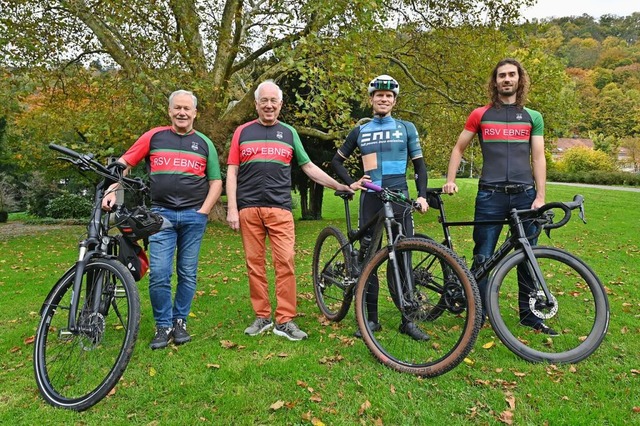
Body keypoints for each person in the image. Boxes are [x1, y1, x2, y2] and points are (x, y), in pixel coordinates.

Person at [226, 80, 353, 341]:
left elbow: (308, 167)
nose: (269, 105)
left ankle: (284, 320)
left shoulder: (289, 133)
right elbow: (232, 170)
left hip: (280, 209)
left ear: (280, 105)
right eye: (264, 100)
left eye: (274, 101)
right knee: (255, 265)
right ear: (256, 104)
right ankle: (262, 317)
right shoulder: (242, 131)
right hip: (249, 209)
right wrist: (231, 207)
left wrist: (337, 184)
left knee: (285, 262)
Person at [442, 58, 557, 335]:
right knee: (483, 255)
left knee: (527, 256)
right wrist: (450, 180)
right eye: (502, 75)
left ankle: (529, 316)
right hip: (490, 195)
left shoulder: (533, 116)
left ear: (520, 80)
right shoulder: (480, 114)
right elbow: (459, 148)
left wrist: (540, 195)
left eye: (511, 75)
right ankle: (477, 313)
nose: (507, 79)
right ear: (495, 82)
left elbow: (538, 157)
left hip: (525, 196)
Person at [102, 89, 223, 349]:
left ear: (194, 113)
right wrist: (113, 187)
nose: (182, 112)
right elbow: (124, 163)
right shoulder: (154, 137)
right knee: (159, 273)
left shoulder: (204, 143)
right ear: (169, 111)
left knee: (187, 273)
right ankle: (163, 325)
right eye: (177, 108)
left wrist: (204, 210)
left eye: (186, 109)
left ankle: (180, 322)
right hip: (161, 217)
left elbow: (216, 181)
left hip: (194, 216)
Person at [331, 74, 430, 341]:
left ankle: (407, 320)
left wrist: (421, 196)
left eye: (388, 96)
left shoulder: (406, 127)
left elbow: (419, 166)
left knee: (404, 256)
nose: (383, 99)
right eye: (379, 95)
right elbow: (336, 161)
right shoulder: (360, 130)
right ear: (371, 99)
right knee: (368, 259)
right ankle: (371, 320)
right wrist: (352, 183)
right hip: (372, 196)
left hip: (399, 196)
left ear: (394, 101)